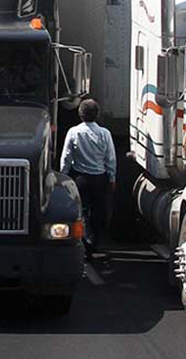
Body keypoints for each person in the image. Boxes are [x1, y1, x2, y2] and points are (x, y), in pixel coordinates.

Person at [59, 98, 116, 254]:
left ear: (80, 114)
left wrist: (63, 175)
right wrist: (112, 178)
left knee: (81, 210)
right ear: (97, 114)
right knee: (98, 210)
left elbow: (66, 157)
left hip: (80, 178)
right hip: (99, 177)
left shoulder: (73, 132)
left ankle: (83, 240)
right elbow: (110, 158)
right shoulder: (105, 133)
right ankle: (96, 240)